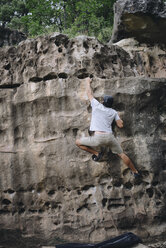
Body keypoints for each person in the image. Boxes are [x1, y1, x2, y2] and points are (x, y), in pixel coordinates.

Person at [76, 77, 139, 176]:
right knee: (121, 154)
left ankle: (97, 154)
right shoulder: (113, 112)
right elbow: (120, 125)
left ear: (103, 102)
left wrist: (88, 82)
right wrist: (119, 119)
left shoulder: (97, 105)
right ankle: (135, 171)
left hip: (98, 138)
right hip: (110, 137)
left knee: (78, 142)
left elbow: (89, 93)